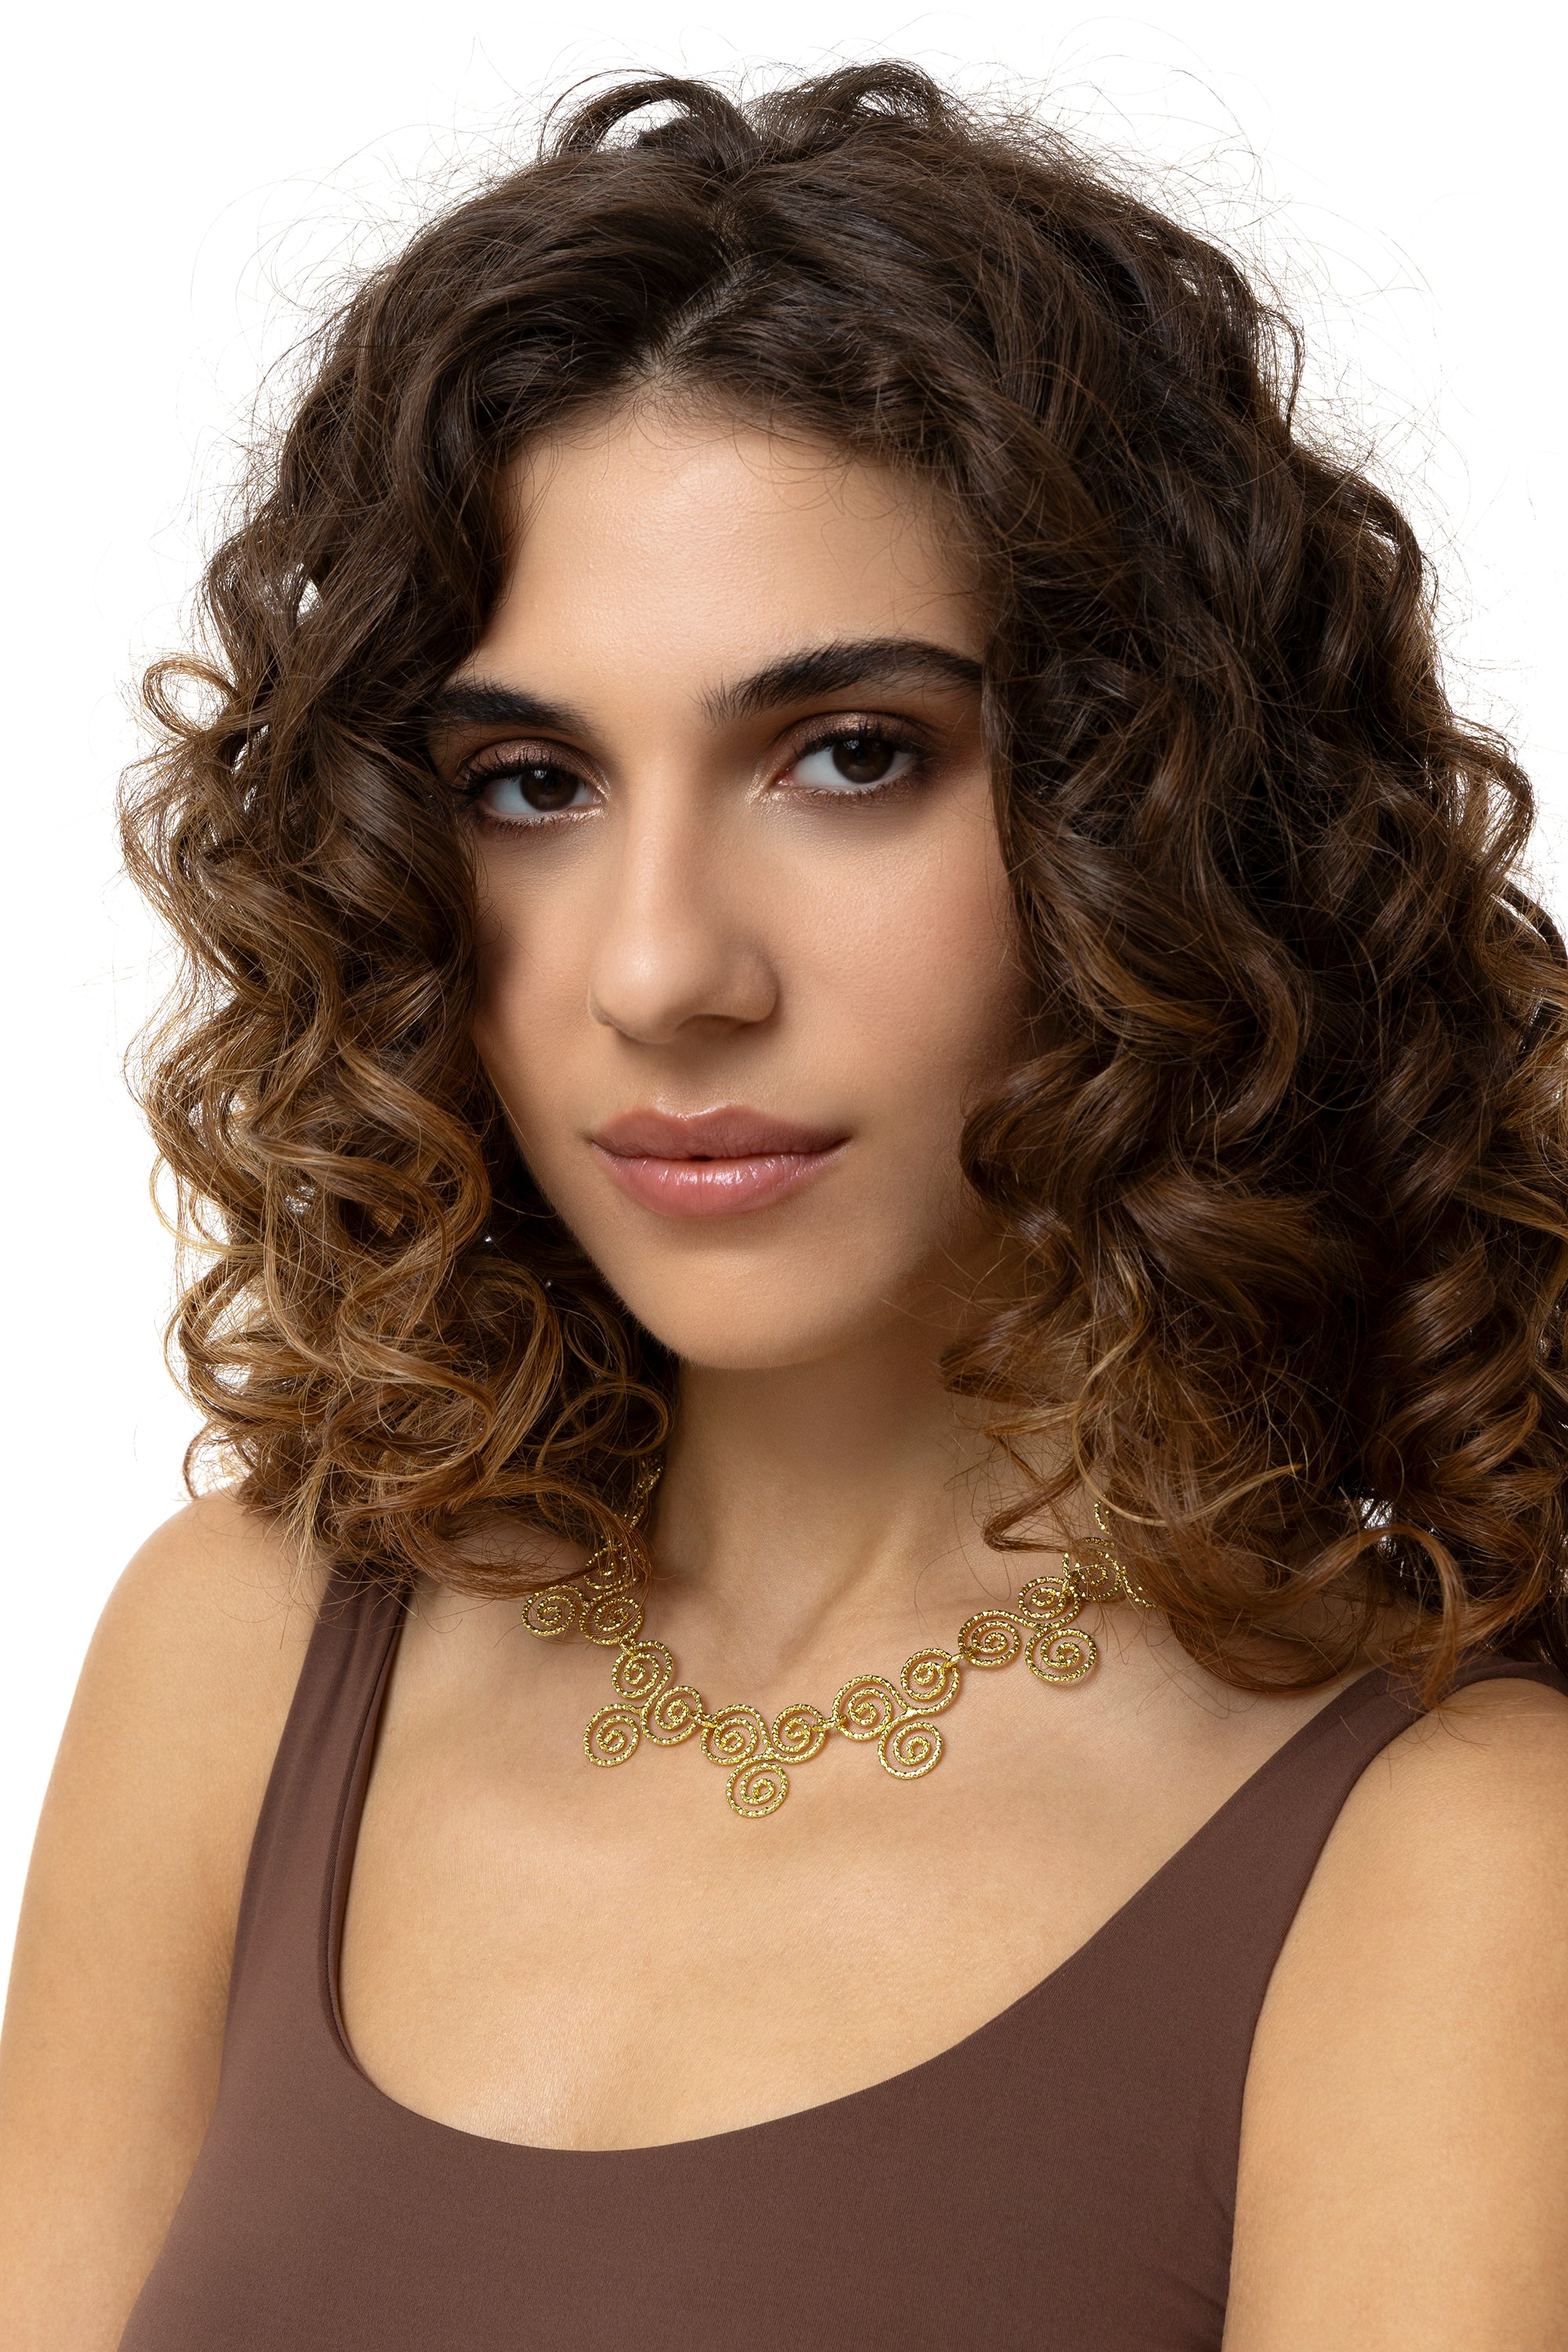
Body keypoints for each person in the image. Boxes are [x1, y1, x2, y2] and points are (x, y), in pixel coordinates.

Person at [3, 61, 1566, 2351]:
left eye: (850, 758)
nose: (661, 973)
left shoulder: (1454, 1861)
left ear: (1158, 819)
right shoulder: (243, 1654)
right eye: (531, 784)